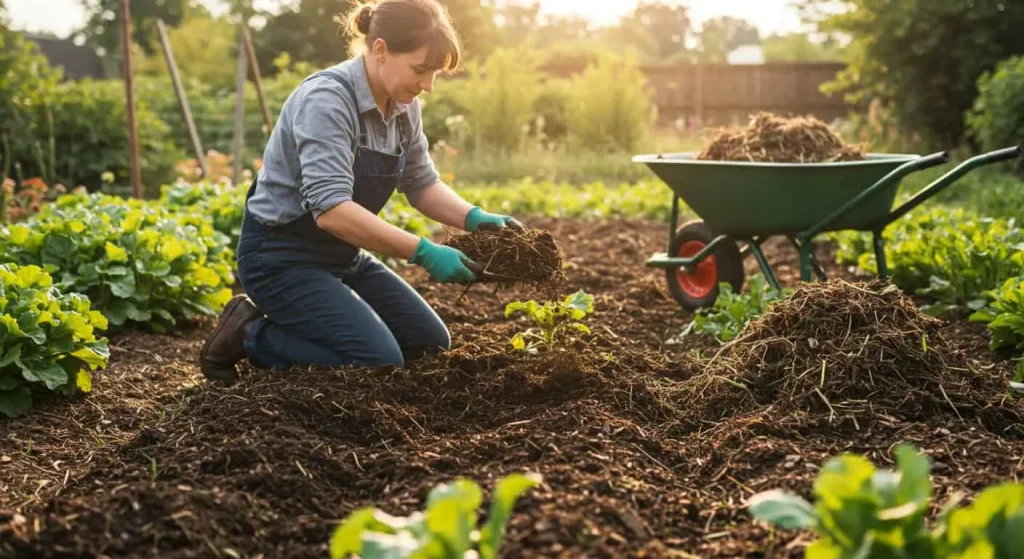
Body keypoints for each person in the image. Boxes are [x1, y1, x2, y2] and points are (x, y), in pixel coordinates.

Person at [199, 0, 523, 383]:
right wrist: (423, 252)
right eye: (420, 70)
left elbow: (421, 183)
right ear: (381, 50)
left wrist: (473, 218)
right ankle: (249, 333)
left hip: (343, 254)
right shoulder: (328, 100)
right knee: (375, 361)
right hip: (279, 258)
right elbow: (332, 211)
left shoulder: (404, 105)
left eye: (434, 73)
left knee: (429, 343)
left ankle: (312, 325)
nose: (427, 85)